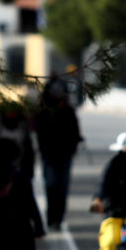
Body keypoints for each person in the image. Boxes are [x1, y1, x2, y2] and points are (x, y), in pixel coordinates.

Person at [34, 75, 84, 229]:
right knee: (50, 185)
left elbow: (75, 130)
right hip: (49, 154)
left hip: (65, 155)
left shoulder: (68, 110)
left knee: (62, 188)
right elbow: (38, 130)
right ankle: (51, 217)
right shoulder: (43, 109)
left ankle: (59, 219)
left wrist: (75, 143)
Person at [0, 102, 35, 179]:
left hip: (19, 167)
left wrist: (29, 169)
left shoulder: (22, 127)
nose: (11, 114)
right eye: (8, 111)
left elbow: (29, 149)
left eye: (13, 111)